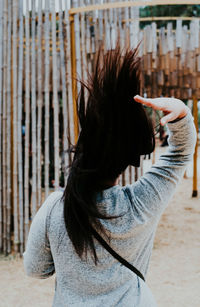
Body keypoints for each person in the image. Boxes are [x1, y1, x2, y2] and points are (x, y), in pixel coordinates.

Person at [23, 45, 196, 307]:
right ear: (128, 157)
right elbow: (181, 154)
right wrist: (180, 113)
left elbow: (36, 269)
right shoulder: (140, 204)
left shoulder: (54, 209)